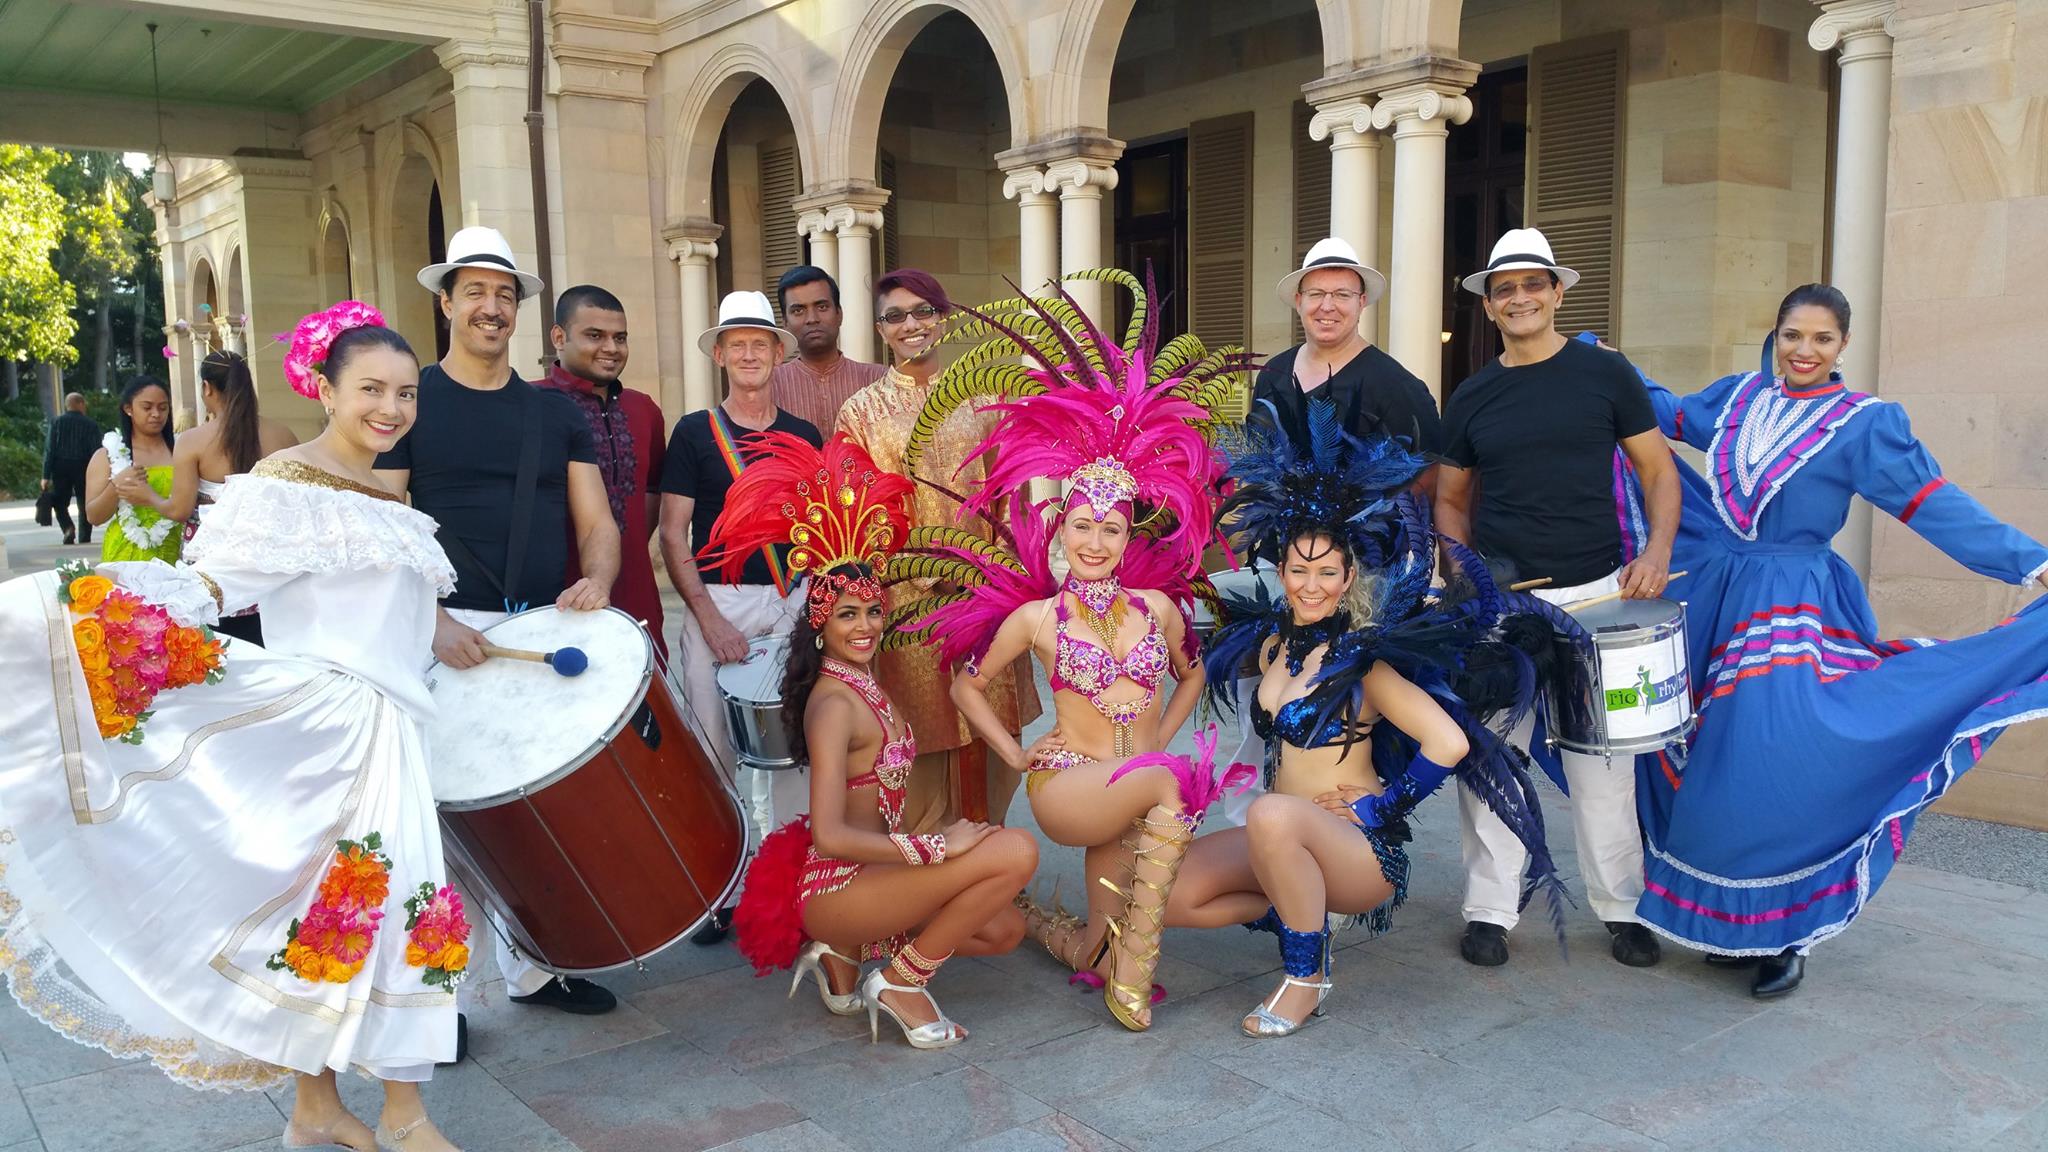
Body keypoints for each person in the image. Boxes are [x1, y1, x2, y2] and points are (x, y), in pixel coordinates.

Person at [0, 304, 468, 1152]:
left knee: (356, 913)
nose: (391, 409)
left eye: (405, 393)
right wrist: (79, 612)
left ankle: (318, 1108)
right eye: (370, 389)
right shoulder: (285, 483)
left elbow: (400, 617)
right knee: (383, 906)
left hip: (390, 728)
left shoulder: (386, 490)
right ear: (324, 390)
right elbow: (212, 588)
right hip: (323, 732)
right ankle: (404, 1117)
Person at [1621, 284, 2048, 998]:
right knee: (1712, 761)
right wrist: (1600, 365)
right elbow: (1662, 412)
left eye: (1821, 339)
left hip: (1792, 607)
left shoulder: (1864, 424)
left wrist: (2032, 562)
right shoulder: (1737, 400)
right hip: (1719, 597)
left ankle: (1790, 932)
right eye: (1793, 335)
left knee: (1782, 760)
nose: (1805, 351)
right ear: (1776, 334)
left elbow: (1936, 505)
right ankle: (1736, 922)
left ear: (1843, 345)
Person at [923, 272, 1234, 1032]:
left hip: (1135, 794)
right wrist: (1015, 750)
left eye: (1112, 529)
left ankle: (1059, 934)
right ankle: (1135, 975)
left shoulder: (1159, 608)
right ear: (1061, 530)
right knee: (1169, 781)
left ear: (1130, 537)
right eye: (1082, 527)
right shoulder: (1034, 619)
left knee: (1093, 940)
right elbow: (968, 686)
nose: (1095, 542)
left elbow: (1193, 675)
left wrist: (1159, 735)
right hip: (1070, 788)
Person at [1192, 408, 1564, 1037]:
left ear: (1348, 577)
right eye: (1299, 570)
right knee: (1179, 894)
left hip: (1357, 853)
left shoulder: (1363, 661)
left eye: (1327, 572)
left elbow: (1446, 740)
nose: (1312, 585)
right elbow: (1196, 671)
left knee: (1269, 811)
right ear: (1279, 573)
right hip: (1285, 839)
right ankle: (1295, 905)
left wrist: (1383, 807)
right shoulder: (1273, 647)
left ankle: (1305, 978)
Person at [705, 431, 1034, 1048]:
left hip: (876, 878)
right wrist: (937, 846)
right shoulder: (832, 703)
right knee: (1014, 853)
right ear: (820, 620)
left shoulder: (866, 680)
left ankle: (845, 956)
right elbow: (828, 834)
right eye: (846, 614)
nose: (864, 627)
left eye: (873, 611)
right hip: (840, 884)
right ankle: (901, 984)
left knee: (1002, 930)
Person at [372, 225, 622, 1018]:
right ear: (445, 302)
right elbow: (384, 530)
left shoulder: (554, 415)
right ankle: (438, 1003)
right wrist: (432, 620)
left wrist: (600, 578)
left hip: (540, 633)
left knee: (532, 813)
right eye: (474, 291)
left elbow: (598, 520)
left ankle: (531, 966)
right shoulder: (409, 405)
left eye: (504, 294)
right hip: (445, 635)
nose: (490, 306)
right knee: (442, 828)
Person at [1435, 227, 1681, 970]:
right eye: (1503, 289)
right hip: (1504, 602)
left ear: (1556, 293)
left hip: (1598, 592)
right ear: (1490, 304)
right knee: (1492, 756)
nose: (1519, 298)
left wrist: (1658, 549)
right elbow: (1449, 499)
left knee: (1603, 764)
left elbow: (1658, 471)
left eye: (1531, 285)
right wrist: (1462, 567)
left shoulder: (1605, 376)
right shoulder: (1474, 394)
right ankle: (1489, 909)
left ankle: (1621, 907)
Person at [836, 269, 1041, 831]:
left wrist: (1001, 574)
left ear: (944, 318)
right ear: (880, 329)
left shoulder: (984, 398)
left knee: (991, 736)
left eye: (923, 311)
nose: (911, 325)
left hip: (985, 594)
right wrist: (908, 576)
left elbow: (1010, 499)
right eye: (895, 316)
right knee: (918, 735)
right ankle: (928, 882)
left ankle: (992, 877)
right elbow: (855, 512)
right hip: (902, 602)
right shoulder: (860, 413)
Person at [660, 291, 821, 878]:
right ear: (720, 355)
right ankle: (719, 886)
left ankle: (787, 878)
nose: (750, 354)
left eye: (761, 344)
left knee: (796, 750)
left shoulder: (806, 433)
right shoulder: (694, 433)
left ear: (778, 354)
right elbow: (673, 535)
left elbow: (820, 528)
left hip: (791, 601)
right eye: (738, 345)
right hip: (718, 601)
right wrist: (708, 619)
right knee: (713, 748)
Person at [539, 284, 668, 657]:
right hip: (560, 600)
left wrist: (624, 544)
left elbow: (652, 488)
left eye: (620, 337)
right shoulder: (533, 403)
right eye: (595, 336)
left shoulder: (644, 410)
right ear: (559, 337)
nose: (611, 348)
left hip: (638, 595)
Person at [1256, 238, 1443, 471]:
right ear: (1299, 301)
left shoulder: (1396, 385)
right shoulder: (1272, 374)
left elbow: (1431, 478)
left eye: (1342, 295)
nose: (1327, 306)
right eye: (1316, 294)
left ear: (1361, 302)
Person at [168, 349, 302, 645]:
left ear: (207, 388)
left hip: (214, 573)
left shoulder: (193, 441)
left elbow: (179, 509)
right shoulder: (283, 435)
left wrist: (145, 496)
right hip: (270, 566)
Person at [769, 265, 886, 433]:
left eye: (822, 307)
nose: (812, 319)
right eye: (798, 310)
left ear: (839, 314)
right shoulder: (771, 385)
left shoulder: (878, 381)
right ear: (785, 323)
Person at [84, 375, 183, 564]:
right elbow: (94, 517)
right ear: (128, 408)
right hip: (123, 556)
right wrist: (117, 485)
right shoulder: (107, 456)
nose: (156, 414)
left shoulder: (183, 451)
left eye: (163, 408)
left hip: (174, 557)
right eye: (147, 407)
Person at [41, 392, 100, 546]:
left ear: (67, 405)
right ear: (80, 404)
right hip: (84, 467)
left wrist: (45, 476)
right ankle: (85, 537)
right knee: (85, 503)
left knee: (60, 501)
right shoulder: (90, 424)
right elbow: (97, 451)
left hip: (60, 467)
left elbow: (50, 450)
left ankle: (68, 528)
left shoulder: (56, 422)